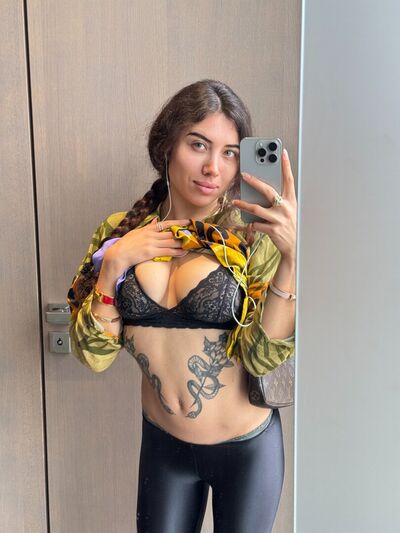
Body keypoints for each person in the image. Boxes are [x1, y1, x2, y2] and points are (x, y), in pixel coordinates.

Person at [67, 79, 296, 533]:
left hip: (247, 450)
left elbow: (261, 357)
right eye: (198, 145)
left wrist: (290, 258)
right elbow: (94, 357)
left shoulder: (253, 237)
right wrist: (113, 266)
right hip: (163, 447)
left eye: (230, 153)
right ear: (166, 145)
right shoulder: (121, 233)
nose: (213, 167)